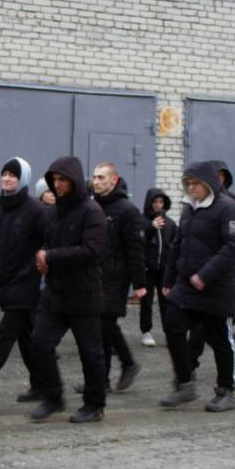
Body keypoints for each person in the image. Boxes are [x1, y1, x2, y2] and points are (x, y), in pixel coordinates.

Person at [25, 156, 109, 424]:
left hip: (84, 294)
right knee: (39, 344)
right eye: (55, 180)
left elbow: (91, 250)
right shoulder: (54, 211)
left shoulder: (92, 211)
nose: (58, 185)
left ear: (74, 180)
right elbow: (48, 243)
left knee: (90, 353)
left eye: (63, 180)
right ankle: (53, 397)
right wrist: (42, 258)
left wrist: (50, 257)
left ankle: (94, 405)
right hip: (55, 294)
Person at [158, 161, 235, 413]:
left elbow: (233, 247)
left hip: (216, 289)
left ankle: (226, 390)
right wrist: (168, 280)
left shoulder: (228, 208)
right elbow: (178, 244)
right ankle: (185, 383)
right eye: (188, 183)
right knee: (173, 325)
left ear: (209, 184)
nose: (192, 188)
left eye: (196, 183)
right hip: (186, 287)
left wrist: (205, 276)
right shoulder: (189, 208)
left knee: (220, 340)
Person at [0, 157, 48, 398]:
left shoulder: (36, 210)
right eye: (4, 174)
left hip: (27, 283)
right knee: (27, 337)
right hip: (4, 282)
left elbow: (49, 240)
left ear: (23, 179)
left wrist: (40, 264)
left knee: (6, 334)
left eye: (13, 175)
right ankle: (41, 385)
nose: (7, 178)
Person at [92, 162, 147, 391]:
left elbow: (136, 248)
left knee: (105, 324)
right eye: (94, 177)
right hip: (95, 276)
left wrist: (139, 283)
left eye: (101, 178)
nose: (96, 182)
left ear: (113, 180)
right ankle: (102, 380)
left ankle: (128, 363)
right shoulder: (93, 206)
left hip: (116, 277)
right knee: (100, 327)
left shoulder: (127, 210)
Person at [138, 187, 177, 347]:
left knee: (166, 302)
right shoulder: (142, 221)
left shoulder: (171, 224)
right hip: (147, 268)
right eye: (154, 202)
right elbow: (138, 240)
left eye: (161, 202)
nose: (158, 205)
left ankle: (169, 332)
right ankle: (146, 331)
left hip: (164, 269)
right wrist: (151, 227)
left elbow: (175, 245)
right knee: (146, 301)